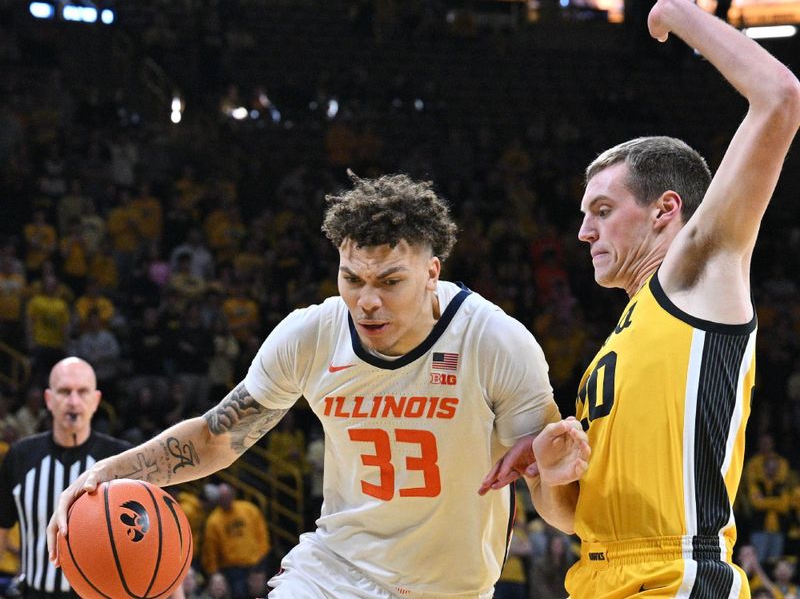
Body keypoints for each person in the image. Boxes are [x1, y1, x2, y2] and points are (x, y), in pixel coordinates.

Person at [48, 173, 589, 598]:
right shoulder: (313, 335)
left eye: (389, 282)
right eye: (352, 279)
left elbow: (559, 512)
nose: (367, 301)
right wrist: (105, 472)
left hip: (450, 587)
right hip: (333, 573)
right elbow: (216, 437)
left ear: (432, 273)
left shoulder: (494, 341)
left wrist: (559, 481)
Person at [489, 0, 799, 596]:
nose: (584, 232)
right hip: (599, 577)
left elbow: (780, 98)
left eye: (602, 211)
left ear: (665, 211)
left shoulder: (695, 276)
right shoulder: (626, 332)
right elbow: (577, 518)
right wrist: (548, 477)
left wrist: (680, 14)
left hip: (675, 577)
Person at [0, 358, 132, 598]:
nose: (73, 401)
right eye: (64, 391)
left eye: (82, 392)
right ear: (49, 400)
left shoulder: (121, 458)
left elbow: (156, 530)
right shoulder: (20, 456)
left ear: (96, 400)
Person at [200, 482, 270, 599]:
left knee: (261, 593)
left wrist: (261, 564)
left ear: (233, 495)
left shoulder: (249, 509)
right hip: (232, 569)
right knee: (238, 594)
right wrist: (213, 572)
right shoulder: (214, 521)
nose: (225, 500)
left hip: (255, 564)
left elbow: (262, 536)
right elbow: (210, 550)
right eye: (222, 498)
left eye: (227, 496)